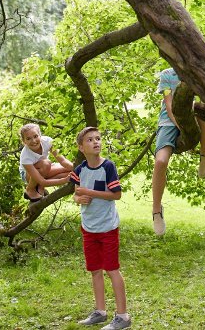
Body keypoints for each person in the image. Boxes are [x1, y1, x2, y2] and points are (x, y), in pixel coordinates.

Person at [71, 126, 131, 330]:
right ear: (81, 147)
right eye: (90, 140)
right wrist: (80, 197)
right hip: (88, 228)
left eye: (98, 138)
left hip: (107, 228)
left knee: (112, 269)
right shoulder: (80, 170)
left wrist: (91, 192)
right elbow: (75, 194)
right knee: (95, 270)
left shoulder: (108, 167)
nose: (96, 142)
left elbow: (116, 195)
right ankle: (100, 312)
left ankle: (123, 317)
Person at [152, 67, 205, 236]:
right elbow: (169, 104)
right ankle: (157, 210)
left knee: (201, 109)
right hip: (168, 121)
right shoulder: (166, 75)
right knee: (160, 161)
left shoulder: (197, 69)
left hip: (194, 115)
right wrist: (182, 126)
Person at [18, 123, 74, 202]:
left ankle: (40, 186)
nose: (33, 141)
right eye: (28, 138)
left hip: (45, 169)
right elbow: (42, 181)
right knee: (46, 163)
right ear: (24, 141)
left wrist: (78, 168)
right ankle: (30, 189)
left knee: (70, 171)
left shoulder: (48, 141)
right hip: (28, 175)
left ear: (40, 135)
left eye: (35, 136)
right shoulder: (25, 156)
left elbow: (63, 161)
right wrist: (64, 180)